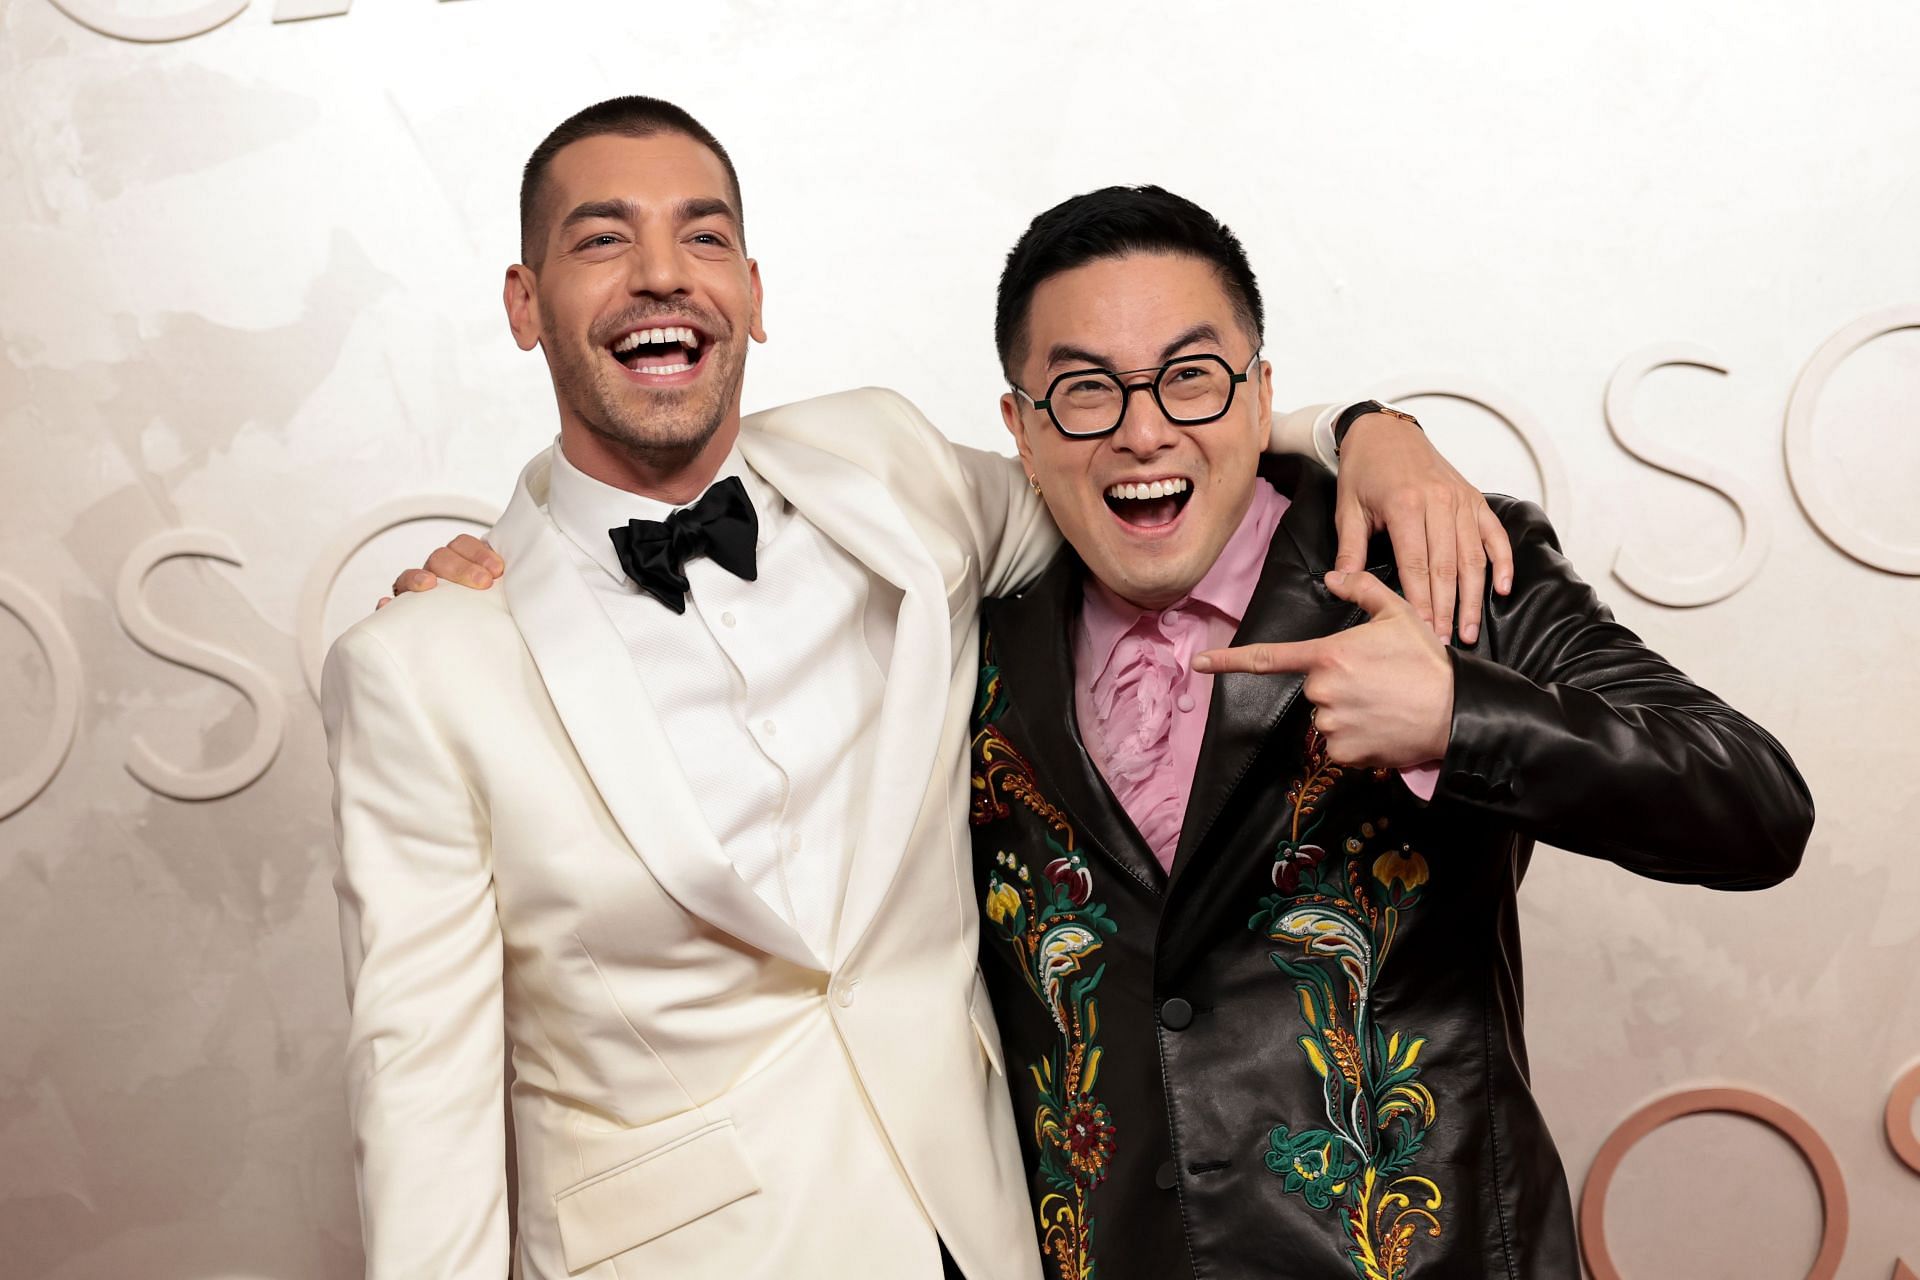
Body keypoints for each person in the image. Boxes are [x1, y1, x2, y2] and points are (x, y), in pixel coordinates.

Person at [333, 95, 1512, 1279]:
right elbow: (419, 1087)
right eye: (600, 239)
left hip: (983, 1227)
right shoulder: (428, 666)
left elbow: (1117, 458)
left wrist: (1361, 428)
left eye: (700, 237)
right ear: (524, 304)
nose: (658, 274)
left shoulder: (888, 471)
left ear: (750, 288)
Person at [963, 185, 1814, 1279]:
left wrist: (1460, 717)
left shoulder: (1434, 559)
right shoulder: (969, 634)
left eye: (1190, 376)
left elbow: (1755, 801)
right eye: (1084, 389)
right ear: (1021, 428)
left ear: (1261, 390)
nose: (1142, 430)